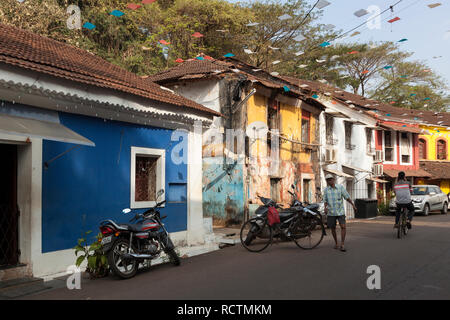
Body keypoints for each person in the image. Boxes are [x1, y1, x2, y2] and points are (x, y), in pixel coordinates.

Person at [323, 174, 357, 252]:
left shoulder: (340, 188)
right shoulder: (326, 190)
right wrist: (325, 208)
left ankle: (342, 244)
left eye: (330, 179)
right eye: (327, 180)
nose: (329, 181)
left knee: (343, 226)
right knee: (333, 228)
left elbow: (347, 197)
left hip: (340, 211)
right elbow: (325, 200)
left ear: (333, 179)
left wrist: (353, 205)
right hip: (331, 212)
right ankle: (336, 243)